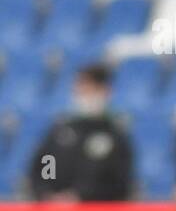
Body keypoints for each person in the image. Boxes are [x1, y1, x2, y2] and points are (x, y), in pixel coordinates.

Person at [29, 63, 134, 202]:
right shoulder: (61, 132)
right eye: (81, 88)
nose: (83, 94)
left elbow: (120, 183)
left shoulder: (115, 135)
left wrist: (81, 196)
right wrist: (48, 194)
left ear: (106, 91)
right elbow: (44, 166)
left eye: (90, 89)